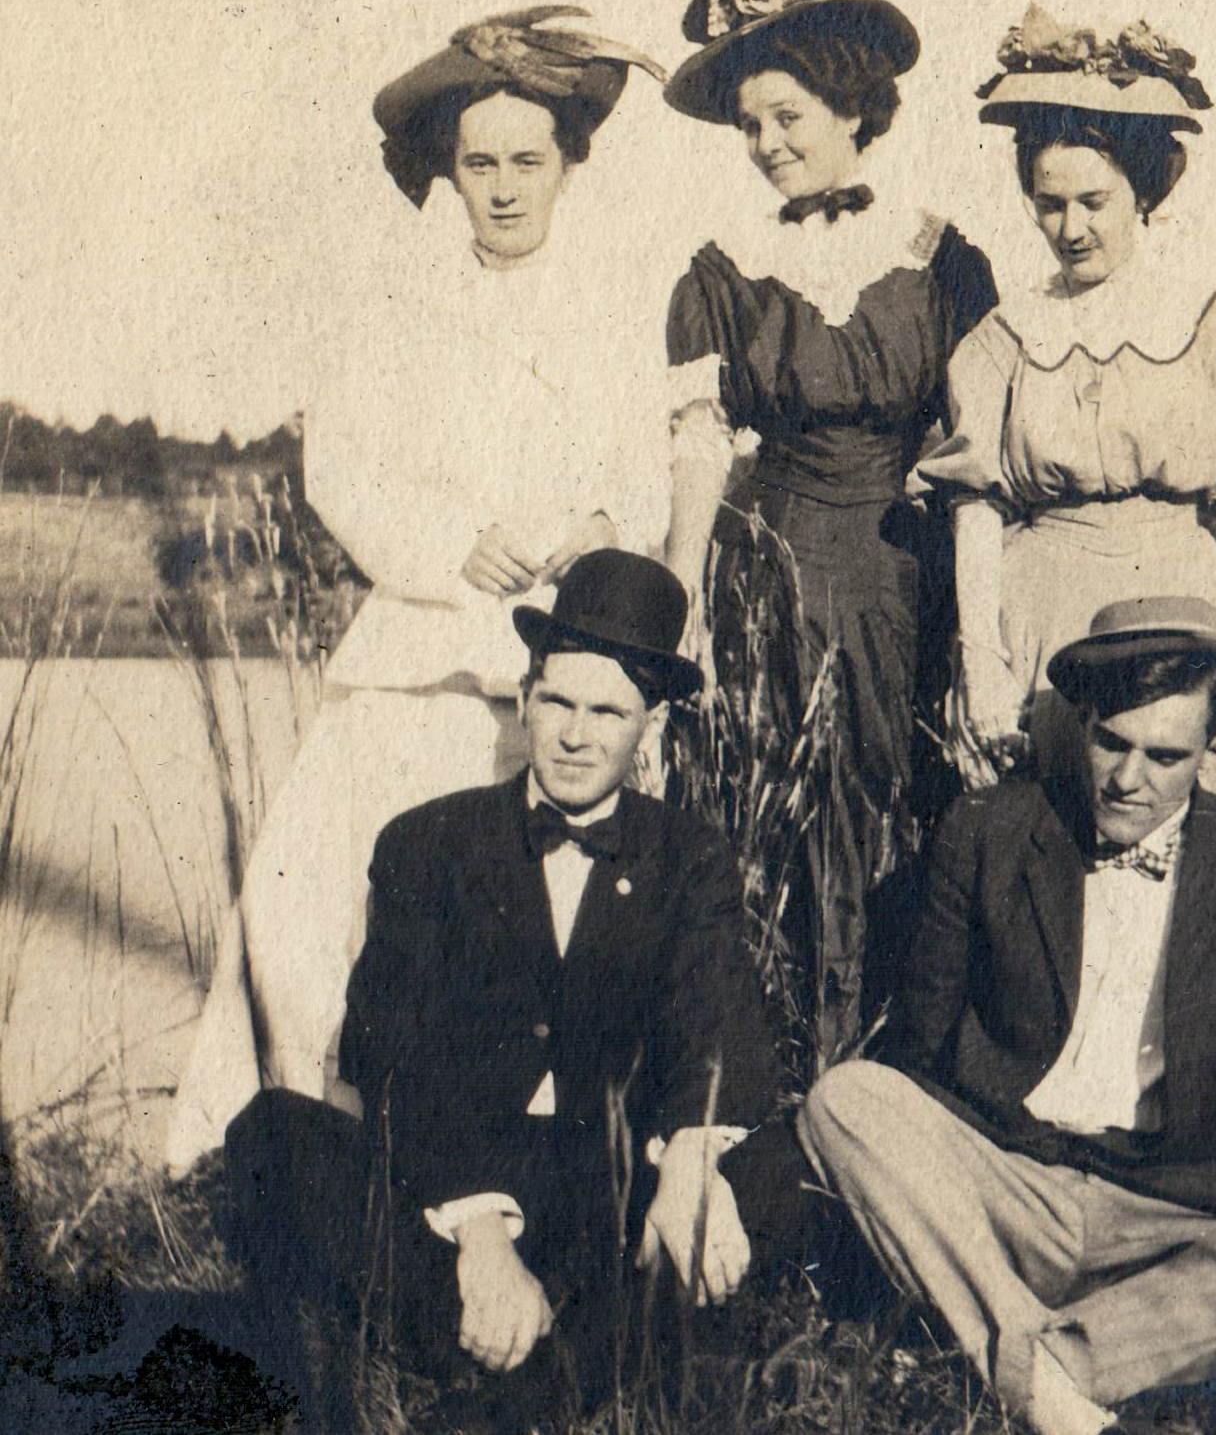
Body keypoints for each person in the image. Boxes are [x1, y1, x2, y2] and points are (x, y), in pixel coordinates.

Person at [168, 10, 674, 1173]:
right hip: (416, 651)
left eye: (527, 163)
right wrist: (453, 543)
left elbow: (633, 488)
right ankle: (299, 1134)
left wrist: (585, 534)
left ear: (566, 168)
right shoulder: (393, 311)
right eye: (480, 163)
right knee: (312, 909)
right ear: (450, 171)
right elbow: (341, 468)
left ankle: (486, 1161)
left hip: (541, 674)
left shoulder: (607, 312)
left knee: (510, 926)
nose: (503, 190)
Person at [222, 551, 802, 1430]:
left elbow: (717, 1034)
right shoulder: (427, 842)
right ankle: (580, 1343)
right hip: (456, 1188)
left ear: (648, 722)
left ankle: (520, 1394)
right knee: (273, 1134)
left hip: (614, 1198)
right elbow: (386, 1056)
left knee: (796, 1162)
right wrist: (483, 1235)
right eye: (558, 701)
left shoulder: (689, 855)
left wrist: (687, 1165)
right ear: (525, 695)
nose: (575, 734)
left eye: (607, 711)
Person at [798, 597, 1216, 1435]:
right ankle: (1052, 1376)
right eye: (1111, 742)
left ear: (1211, 749)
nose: (1127, 778)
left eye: (1164, 755)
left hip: (1167, 1207)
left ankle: (1033, 1370)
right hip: (1013, 1185)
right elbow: (917, 1050)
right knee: (848, 1098)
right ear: (1081, 722)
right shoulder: (989, 829)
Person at [662, 0, 996, 1058]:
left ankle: (904, 1060)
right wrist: (682, 598)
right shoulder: (718, 269)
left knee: (903, 795)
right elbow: (699, 445)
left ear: (852, 107)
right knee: (780, 808)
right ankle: (788, 1063)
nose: (765, 145)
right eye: (750, 124)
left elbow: (975, 440)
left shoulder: (944, 257)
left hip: (907, 570)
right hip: (774, 563)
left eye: (787, 118)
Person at [914, 3, 1216, 811]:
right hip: (1042, 622)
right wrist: (981, 659)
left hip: (1183, 616)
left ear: (1142, 191)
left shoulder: (1213, 328)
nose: (1069, 228)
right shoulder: (1002, 338)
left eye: (1093, 201)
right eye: (1047, 202)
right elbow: (975, 508)